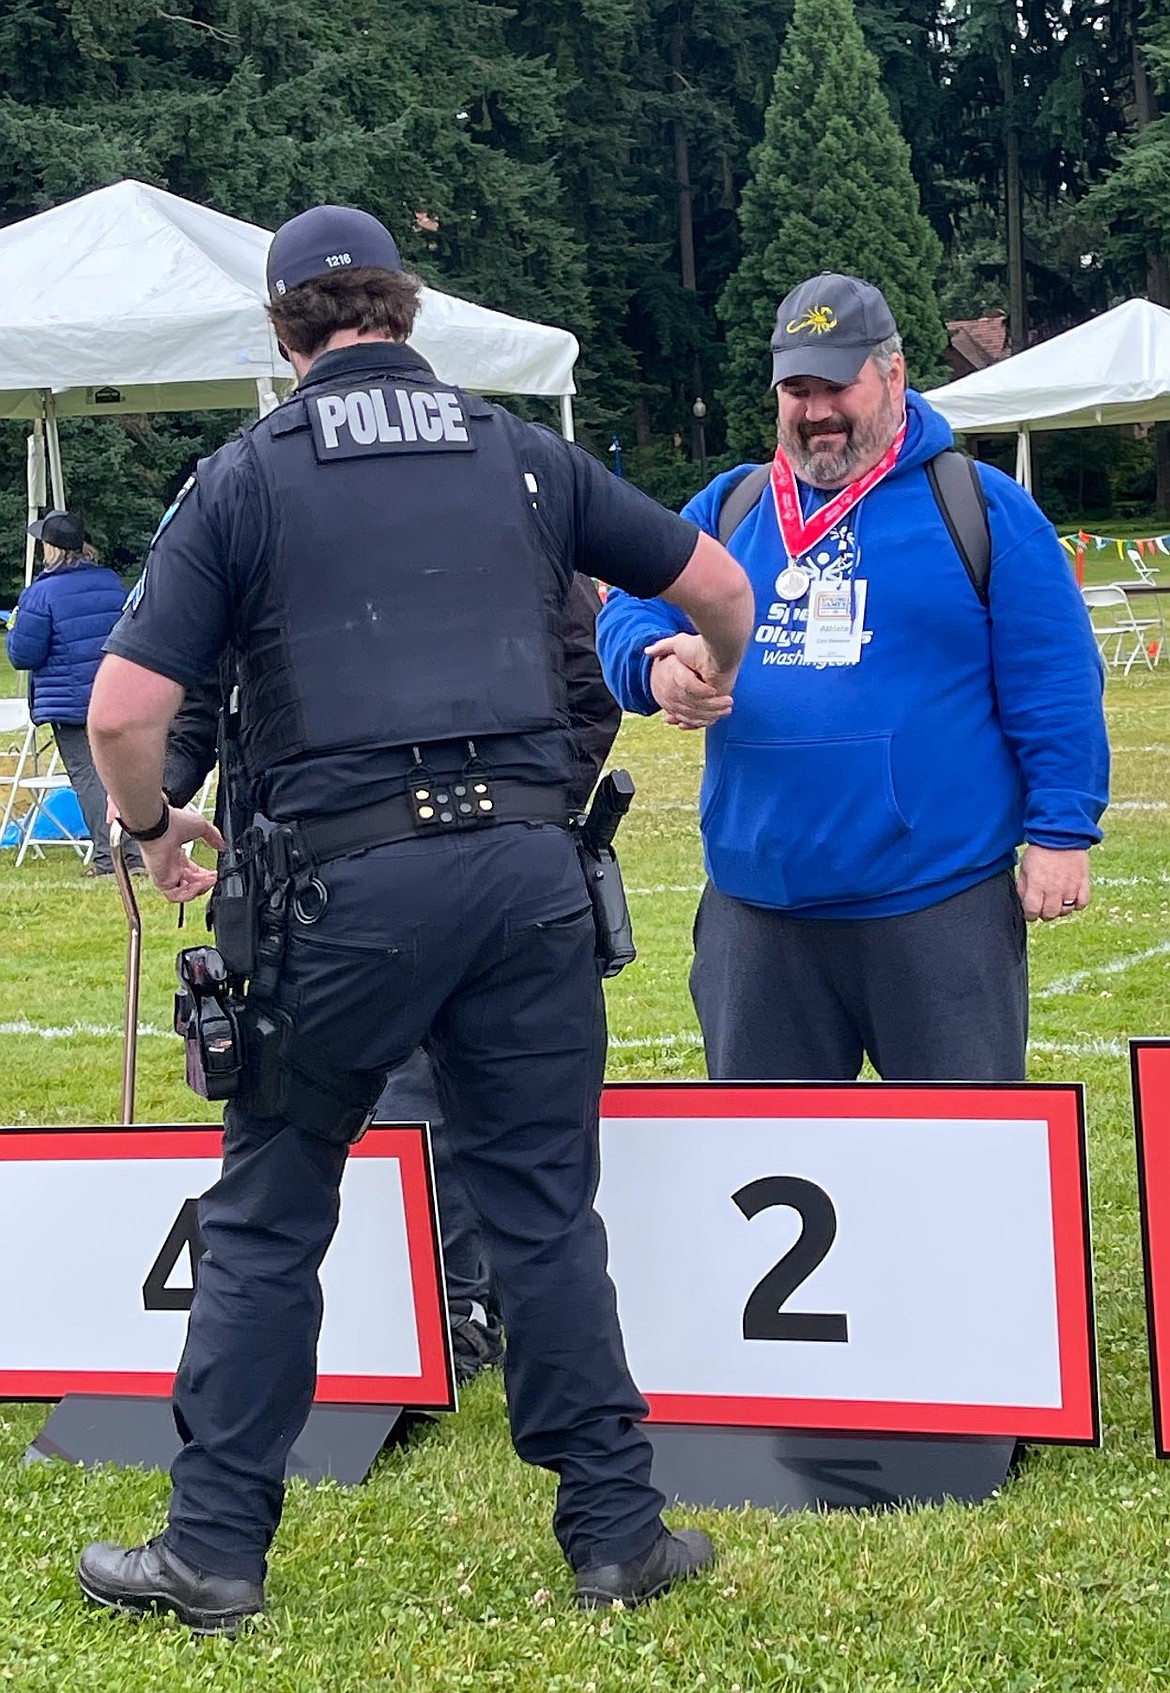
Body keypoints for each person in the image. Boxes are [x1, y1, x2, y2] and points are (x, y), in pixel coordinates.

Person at [77, 203, 754, 1632]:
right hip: (527, 880)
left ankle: (212, 1550)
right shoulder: (521, 455)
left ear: (283, 332)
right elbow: (716, 584)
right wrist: (713, 663)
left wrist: (151, 828)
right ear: (407, 305)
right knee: (544, 1210)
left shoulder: (246, 476)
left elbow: (124, 711)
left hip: (337, 894)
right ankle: (615, 1531)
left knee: (269, 1214)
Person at [597, 271, 1109, 1085]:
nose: (816, 410)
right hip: (757, 921)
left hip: (938, 911)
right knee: (768, 1180)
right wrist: (652, 669)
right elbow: (628, 603)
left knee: (954, 1178)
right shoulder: (733, 507)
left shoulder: (981, 509)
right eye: (795, 389)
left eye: (836, 384)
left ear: (894, 375)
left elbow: (1055, 681)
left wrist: (1061, 830)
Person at [160, 572, 623, 1386]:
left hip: (449, 878)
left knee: (461, 1106)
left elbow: (587, 684)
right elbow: (194, 692)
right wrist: (159, 800)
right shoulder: (254, 521)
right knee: (333, 1114)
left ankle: (464, 1305)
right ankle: (439, 1304)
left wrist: (533, 807)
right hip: (305, 886)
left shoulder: (486, 509)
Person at [5, 511, 144, 876]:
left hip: (70, 704)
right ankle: (139, 850)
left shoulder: (40, 593)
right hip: (116, 695)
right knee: (123, 775)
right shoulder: (111, 583)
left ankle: (109, 859)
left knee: (89, 778)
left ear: (50, 548)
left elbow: (23, 655)